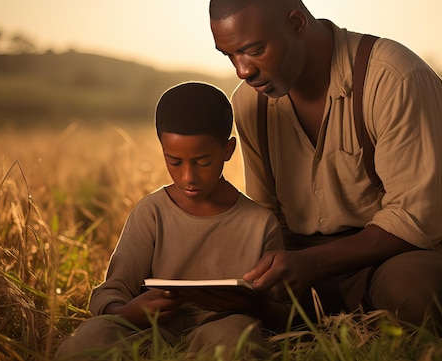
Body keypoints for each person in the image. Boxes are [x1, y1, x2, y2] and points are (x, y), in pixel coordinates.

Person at [208, 0, 442, 335]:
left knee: (417, 291)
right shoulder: (250, 104)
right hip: (300, 259)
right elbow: (266, 213)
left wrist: (313, 265)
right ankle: (328, 322)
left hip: (393, 255)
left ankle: (335, 321)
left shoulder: (394, 77)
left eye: (253, 49)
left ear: (296, 23)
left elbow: (418, 217)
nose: (242, 70)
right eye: (230, 56)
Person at [54, 82, 287, 360]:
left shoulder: (260, 224)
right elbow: (112, 290)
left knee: (237, 335)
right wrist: (127, 312)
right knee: (91, 337)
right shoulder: (151, 212)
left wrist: (250, 306)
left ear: (227, 150)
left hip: (222, 330)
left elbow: (282, 309)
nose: (188, 177)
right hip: (151, 331)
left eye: (202, 162)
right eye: (174, 161)